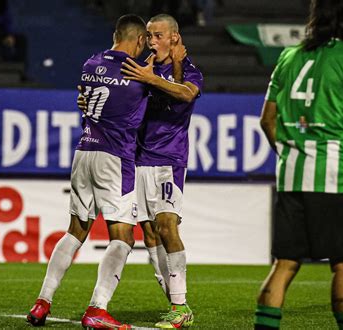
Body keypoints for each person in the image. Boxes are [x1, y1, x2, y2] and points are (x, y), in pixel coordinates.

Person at [26, 14, 148, 329]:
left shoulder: (91, 63)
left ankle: (42, 302)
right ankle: (98, 308)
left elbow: (84, 96)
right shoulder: (138, 74)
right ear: (137, 40)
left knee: (76, 230)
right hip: (115, 157)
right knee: (123, 235)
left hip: (85, 150)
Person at [255, 0, 343, 329]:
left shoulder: (288, 56)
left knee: (284, 264)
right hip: (333, 175)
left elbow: (267, 120)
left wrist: (288, 152)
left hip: (291, 173)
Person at [121, 13, 203, 328]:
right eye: (149, 35)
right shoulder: (144, 69)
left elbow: (184, 93)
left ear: (174, 37)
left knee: (167, 226)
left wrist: (149, 79)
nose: (151, 41)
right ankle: (176, 300)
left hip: (169, 160)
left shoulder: (190, 71)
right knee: (150, 232)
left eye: (157, 35)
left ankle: (179, 306)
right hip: (139, 160)